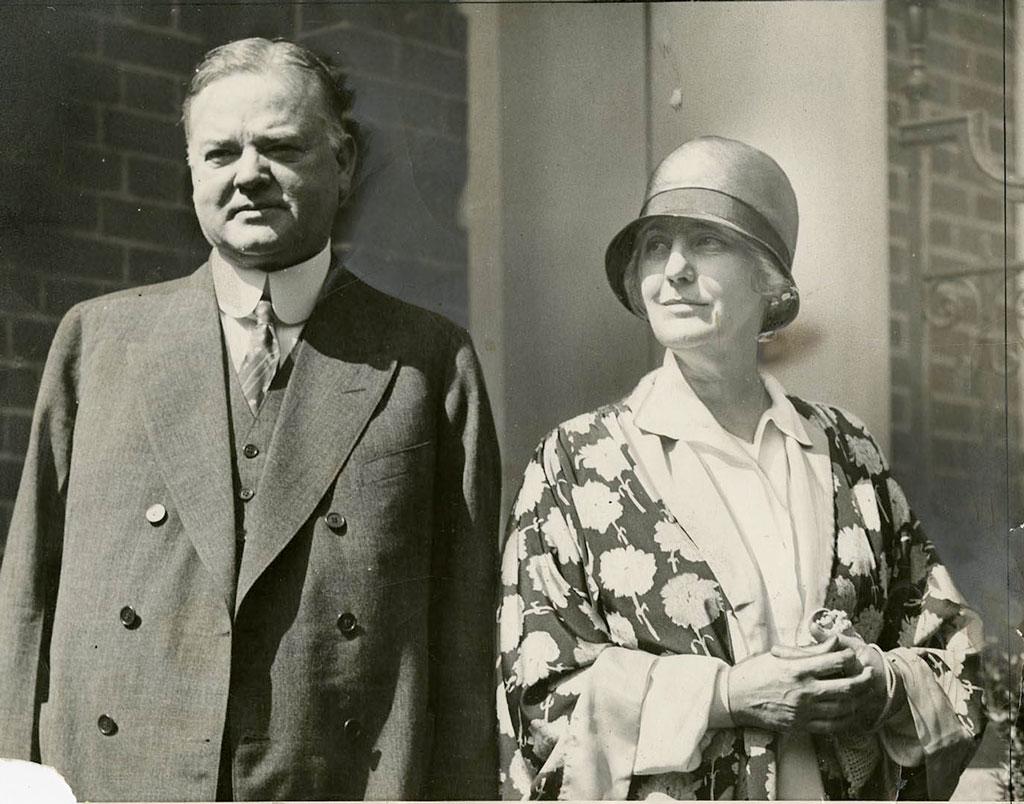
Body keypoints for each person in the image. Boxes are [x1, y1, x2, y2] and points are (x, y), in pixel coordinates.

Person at [0, 37, 500, 801]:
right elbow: (27, 589)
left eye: (281, 146)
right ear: (193, 171)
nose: (248, 176)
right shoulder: (98, 342)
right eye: (220, 153)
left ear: (344, 163)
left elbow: (464, 638)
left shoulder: (428, 361)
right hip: (117, 781)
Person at [497, 136, 985, 800]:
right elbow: (535, 697)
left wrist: (879, 684)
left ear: (772, 281)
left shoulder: (847, 452)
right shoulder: (576, 466)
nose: (674, 270)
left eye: (707, 243)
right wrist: (727, 695)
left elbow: (952, 655)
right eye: (656, 246)